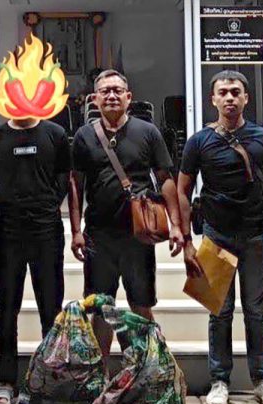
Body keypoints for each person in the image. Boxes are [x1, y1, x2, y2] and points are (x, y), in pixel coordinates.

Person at [177, 70, 263, 404]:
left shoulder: (262, 138)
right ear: (213, 99)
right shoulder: (199, 142)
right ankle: (219, 381)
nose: (230, 97)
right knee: (220, 312)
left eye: (236, 92)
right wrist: (187, 242)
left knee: (256, 312)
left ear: (246, 98)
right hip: (216, 236)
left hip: (255, 234)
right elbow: (183, 191)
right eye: (223, 92)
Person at [69, 69, 184, 360]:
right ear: (94, 99)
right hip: (98, 236)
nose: (111, 96)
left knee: (141, 306)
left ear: (128, 97)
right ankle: (101, 374)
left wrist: (175, 225)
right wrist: (76, 230)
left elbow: (165, 179)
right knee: (101, 309)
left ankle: (148, 371)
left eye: (117, 90)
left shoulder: (148, 132)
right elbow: (76, 185)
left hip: (139, 235)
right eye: (105, 91)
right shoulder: (84, 136)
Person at [0, 115, 71, 404]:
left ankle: (51, 379)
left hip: (47, 232)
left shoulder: (55, 134)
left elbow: (64, 180)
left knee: (51, 308)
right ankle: (6, 381)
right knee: (7, 307)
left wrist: (45, 207)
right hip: (7, 233)